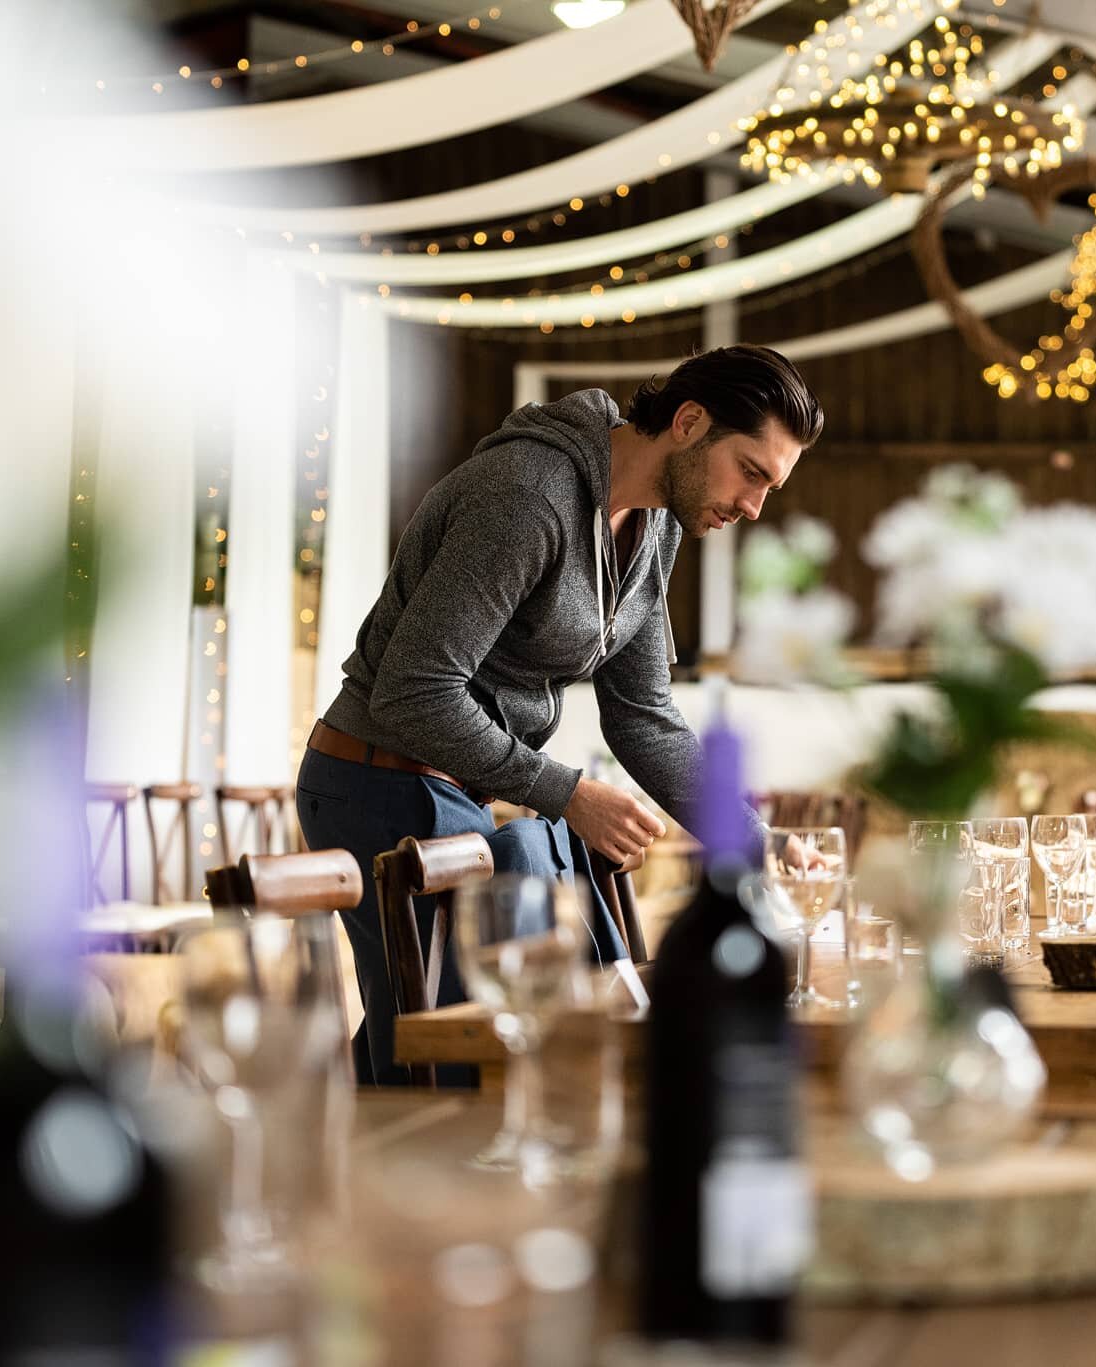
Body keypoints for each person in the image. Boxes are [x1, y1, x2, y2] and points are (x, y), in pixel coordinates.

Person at [296, 345, 823, 1083]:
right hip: (377, 781)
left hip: (455, 791)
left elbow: (643, 713)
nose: (753, 505)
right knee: (460, 1049)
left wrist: (752, 839)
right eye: (751, 470)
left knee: (447, 1042)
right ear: (689, 421)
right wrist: (568, 793)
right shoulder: (527, 495)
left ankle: (346, 1159)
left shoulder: (656, 524)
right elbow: (414, 691)